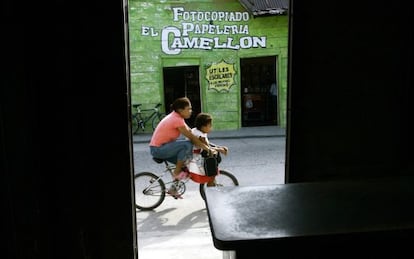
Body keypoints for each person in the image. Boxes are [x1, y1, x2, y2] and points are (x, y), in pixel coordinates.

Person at [149, 97, 215, 181]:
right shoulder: (176, 119)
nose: (191, 111)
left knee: (184, 165)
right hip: (158, 149)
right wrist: (207, 149)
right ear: (180, 110)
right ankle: (176, 173)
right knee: (186, 144)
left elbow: (191, 132)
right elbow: (191, 137)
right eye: (189, 109)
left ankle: (174, 189)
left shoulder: (177, 117)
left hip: (162, 147)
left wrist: (210, 146)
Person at [187, 113, 228, 186]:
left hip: (196, 153)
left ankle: (211, 180)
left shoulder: (196, 130)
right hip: (196, 157)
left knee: (215, 155)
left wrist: (219, 147)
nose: (211, 127)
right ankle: (210, 182)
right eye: (210, 126)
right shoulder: (200, 136)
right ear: (203, 126)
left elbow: (208, 145)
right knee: (212, 161)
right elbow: (207, 147)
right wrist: (220, 149)